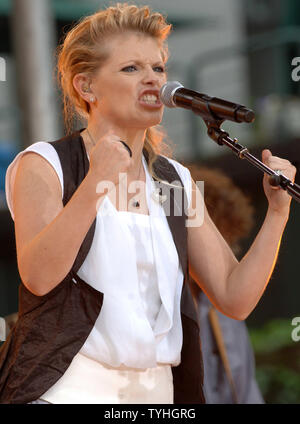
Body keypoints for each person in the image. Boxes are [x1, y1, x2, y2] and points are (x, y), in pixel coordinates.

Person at [0, 3, 297, 404]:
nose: (153, 80)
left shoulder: (175, 179)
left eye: (158, 68)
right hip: (67, 391)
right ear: (86, 87)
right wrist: (95, 183)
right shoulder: (45, 164)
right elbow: (38, 276)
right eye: (131, 69)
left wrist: (277, 213)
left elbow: (233, 297)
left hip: (158, 395)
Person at [187, 165, 264, 403]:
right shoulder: (161, 297)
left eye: (231, 242)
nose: (230, 252)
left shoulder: (224, 308)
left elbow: (246, 390)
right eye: (222, 240)